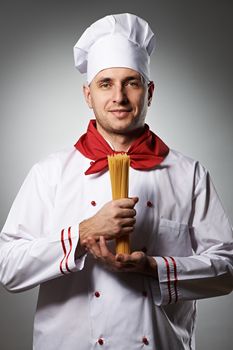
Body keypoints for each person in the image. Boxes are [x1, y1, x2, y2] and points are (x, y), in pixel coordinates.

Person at [0, 13, 233, 350]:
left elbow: (227, 268)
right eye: (105, 83)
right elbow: (8, 268)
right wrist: (83, 233)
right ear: (87, 94)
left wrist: (155, 267)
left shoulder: (189, 174)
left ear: (149, 92)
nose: (119, 96)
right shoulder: (50, 173)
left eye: (132, 82)